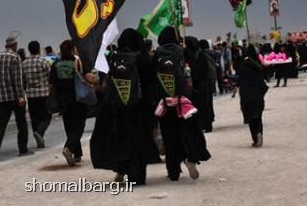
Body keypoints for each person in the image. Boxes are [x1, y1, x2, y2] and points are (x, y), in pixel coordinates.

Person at [90, 28, 160, 185]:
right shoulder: (143, 59)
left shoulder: (115, 58)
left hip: (118, 108)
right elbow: (151, 82)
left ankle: (122, 168)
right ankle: (138, 176)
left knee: (121, 139)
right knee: (139, 140)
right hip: (140, 108)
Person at [153, 27, 211, 181]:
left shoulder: (157, 53)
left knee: (169, 136)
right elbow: (195, 70)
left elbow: (153, 78)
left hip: (164, 103)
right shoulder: (182, 51)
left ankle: (173, 171)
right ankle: (189, 158)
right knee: (187, 132)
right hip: (183, 102)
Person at [0, 36, 31, 161]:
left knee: (0, 125)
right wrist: (21, 96)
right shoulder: (15, 57)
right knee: (21, 123)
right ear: (15, 45)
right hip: (13, 96)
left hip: (0, 97)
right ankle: (23, 149)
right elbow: (17, 79)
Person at [49, 40, 87, 166]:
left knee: (70, 127)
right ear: (72, 49)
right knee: (79, 127)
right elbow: (85, 78)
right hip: (78, 99)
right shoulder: (77, 62)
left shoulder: (56, 64)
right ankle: (69, 148)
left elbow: (51, 84)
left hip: (62, 101)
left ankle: (77, 154)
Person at [234, 45, 268, 147]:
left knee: (251, 118)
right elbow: (263, 83)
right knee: (258, 118)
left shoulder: (242, 66)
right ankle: (259, 133)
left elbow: (239, 79)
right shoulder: (258, 66)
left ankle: (255, 138)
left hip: (247, 95)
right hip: (257, 95)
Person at [22, 41, 52, 148]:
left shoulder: (24, 63)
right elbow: (51, 76)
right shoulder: (43, 61)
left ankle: (39, 137)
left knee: (34, 118)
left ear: (29, 50)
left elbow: (23, 81)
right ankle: (39, 133)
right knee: (47, 116)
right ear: (39, 49)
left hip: (30, 95)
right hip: (44, 94)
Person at [190, 39, 216, 133]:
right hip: (210, 81)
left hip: (203, 84)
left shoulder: (200, 55)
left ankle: (206, 124)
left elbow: (200, 70)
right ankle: (209, 122)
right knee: (208, 103)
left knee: (204, 104)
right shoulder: (212, 53)